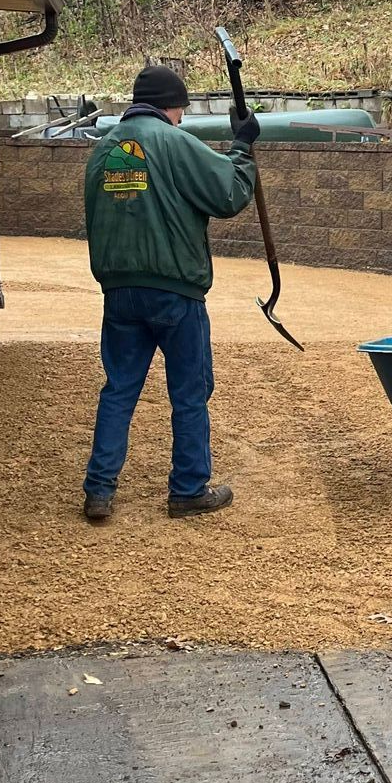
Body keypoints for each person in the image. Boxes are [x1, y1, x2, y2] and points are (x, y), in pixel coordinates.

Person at [81, 60, 261, 521]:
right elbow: (229, 194)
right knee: (189, 391)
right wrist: (242, 145)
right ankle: (187, 489)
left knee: (119, 389)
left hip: (119, 292)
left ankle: (99, 491)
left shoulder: (103, 151)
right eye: (181, 110)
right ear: (172, 108)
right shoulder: (176, 142)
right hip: (176, 293)